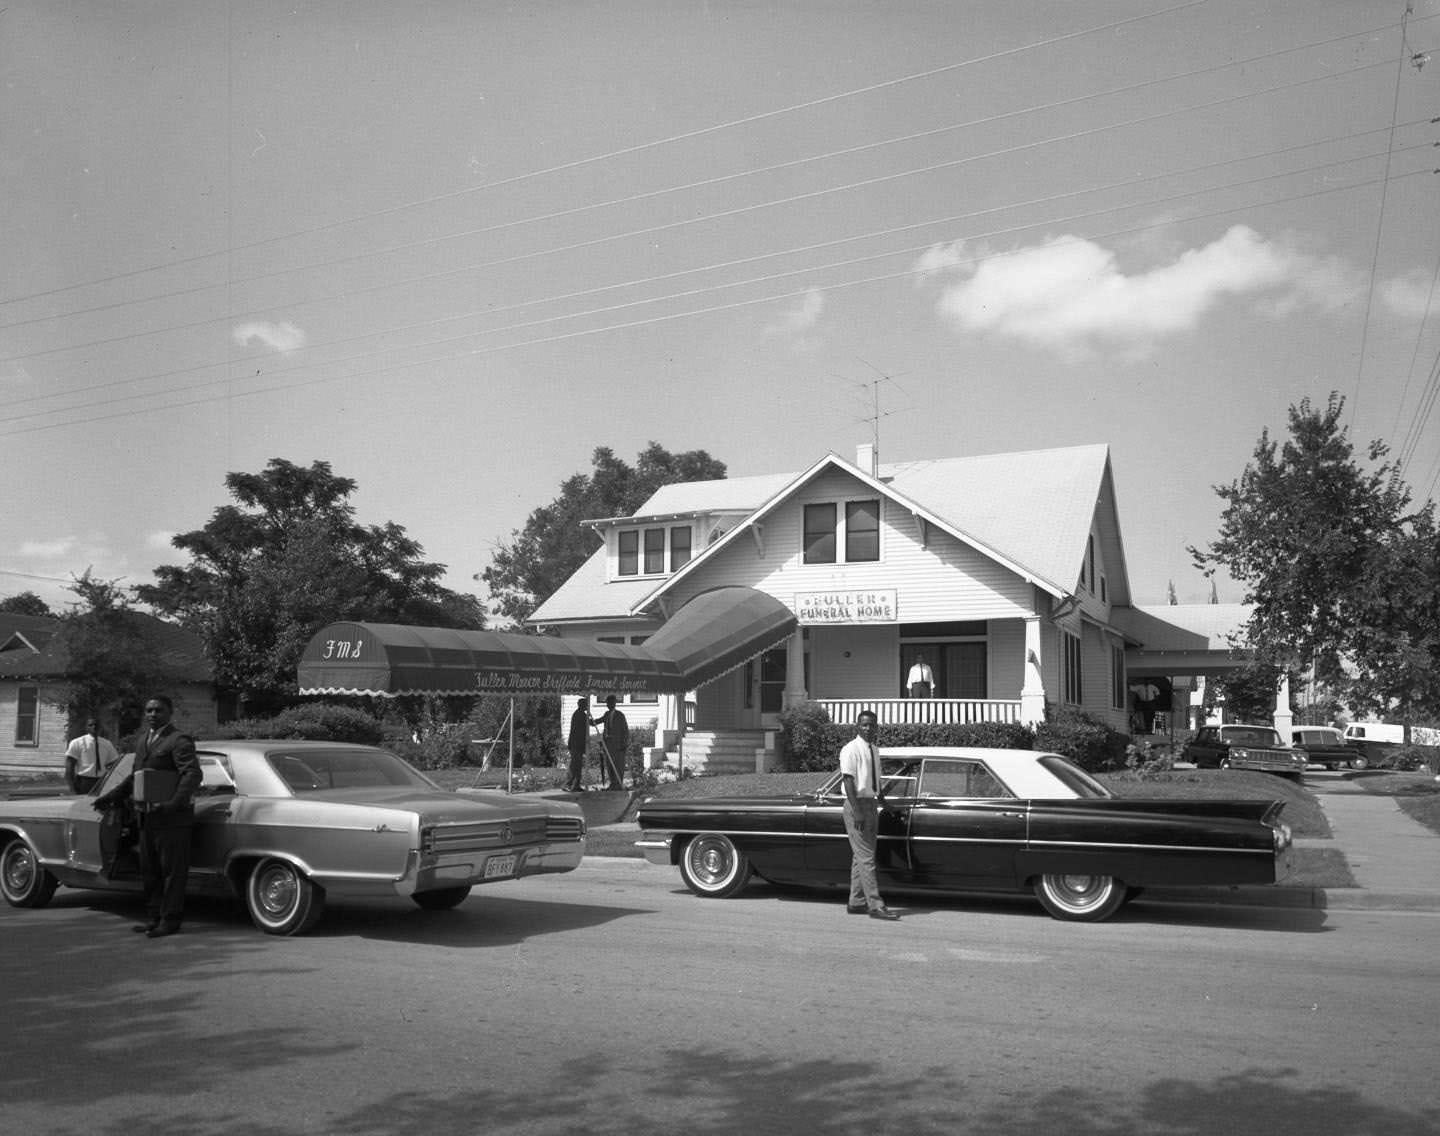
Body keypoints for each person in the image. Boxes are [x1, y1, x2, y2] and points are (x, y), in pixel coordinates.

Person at [93, 696, 201, 938]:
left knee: (172, 872)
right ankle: (153, 918)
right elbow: (135, 776)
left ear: (170, 713)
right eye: (149, 710)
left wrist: (173, 804)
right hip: (147, 817)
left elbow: (192, 774)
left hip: (172, 819)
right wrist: (110, 797)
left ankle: (170, 921)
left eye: (158, 710)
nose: (153, 714)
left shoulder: (178, 740)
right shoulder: (144, 741)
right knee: (150, 870)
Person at [838, 710, 898, 920]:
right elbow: (848, 781)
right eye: (864, 725)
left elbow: (875, 781)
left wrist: (883, 803)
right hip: (857, 805)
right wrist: (857, 812)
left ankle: (856, 902)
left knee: (862, 857)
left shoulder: (874, 749)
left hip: (871, 804)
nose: (868, 728)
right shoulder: (850, 750)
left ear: (876, 727)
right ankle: (875, 905)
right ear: (857, 726)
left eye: (872, 725)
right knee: (866, 858)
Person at [64, 717, 119, 794]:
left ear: (100, 727)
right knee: (83, 805)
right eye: (90, 725)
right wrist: (72, 788)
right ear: (86, 727)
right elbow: (70, 766)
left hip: (101, 782)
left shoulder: (107, 744)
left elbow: (114, 764)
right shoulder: (77, 743)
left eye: (96, 725)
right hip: (83, 781)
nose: (94, 727)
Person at [594, 695, 629, 790]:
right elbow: (597, 721)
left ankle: (618, 784)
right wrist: (588, 720)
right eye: (607, 703)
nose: (609, 705)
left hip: (618, 745)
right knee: (609, 765)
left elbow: (625, 730)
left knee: (618, 765)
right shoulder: (606, 714)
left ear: (614, 703)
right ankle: (613, 784)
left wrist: (624, 744)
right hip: (608, 745)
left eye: (611, 702)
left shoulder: (620, 715)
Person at [565, 696, 590, 792]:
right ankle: (569, 784)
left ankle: (575, 785)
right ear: (582, 705)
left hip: (577, 745)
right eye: (586, 705)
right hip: (576, 744)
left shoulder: (580, 714)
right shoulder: (580, 715)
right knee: (575, 765)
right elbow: (588, 723)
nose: (587, 707)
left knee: (577, 765)